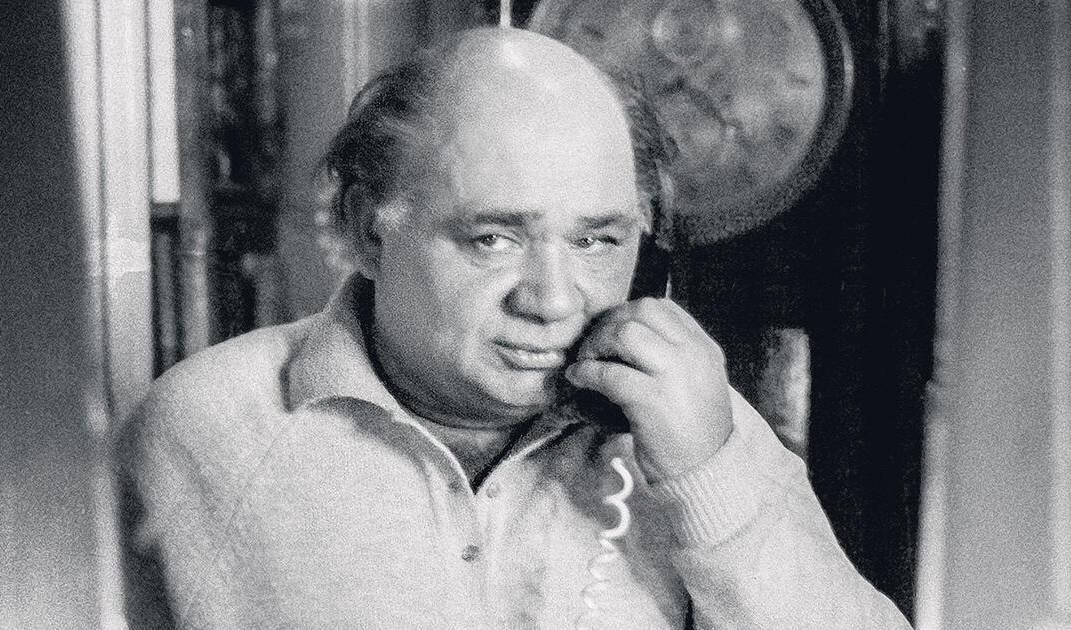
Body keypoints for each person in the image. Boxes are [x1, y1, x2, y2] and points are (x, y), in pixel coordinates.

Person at [123, 27, 912, 629]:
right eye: (494, 238)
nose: (554, 301)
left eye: (597, 241)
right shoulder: (202, 431)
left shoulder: (692, 429)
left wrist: (710, 475)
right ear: (369, 231)